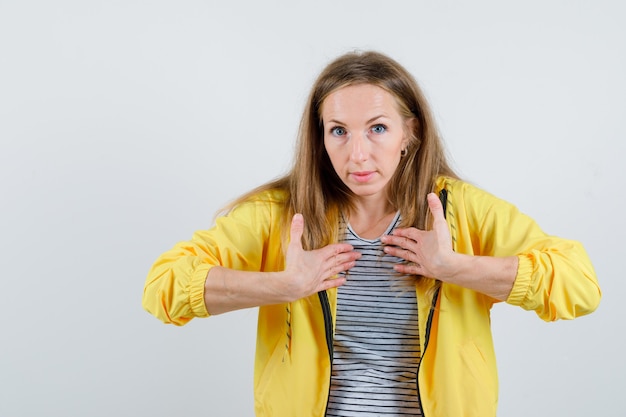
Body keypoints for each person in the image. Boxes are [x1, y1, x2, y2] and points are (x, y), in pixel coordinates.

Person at [142, 51, 601, 417]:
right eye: (339, 131)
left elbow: (580, 285)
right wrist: (282, 285)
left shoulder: (460, 211)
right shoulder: (281, 215)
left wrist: (456, 267)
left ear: (410, 133)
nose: (357, 154)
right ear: (320, 138)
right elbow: (163, 287)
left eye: (377, 128)